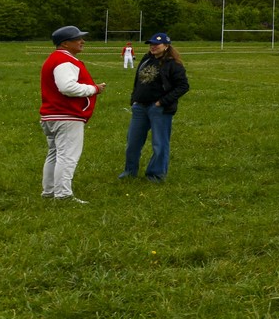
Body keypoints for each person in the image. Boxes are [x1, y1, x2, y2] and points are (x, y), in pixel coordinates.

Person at [40, 26, 106, 202]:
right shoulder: (64, 60)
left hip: (53, 115)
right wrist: (94, 89)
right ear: (65, 43)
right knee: (67, 156)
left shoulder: (56, 58)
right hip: (66, 115)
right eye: (77, 39)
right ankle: (63, 195)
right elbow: (67, 87)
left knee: (55, 154)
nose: (82, 41)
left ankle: (49, 191)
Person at [122, 33, 190, 183]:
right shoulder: (146, 59)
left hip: (159, 109)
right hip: (140, 107)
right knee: (133, 142)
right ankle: (129, 171)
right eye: (151, 44)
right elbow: (138, 81)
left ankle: (156, 175)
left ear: (166, 46)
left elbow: (183, 86)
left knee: (159, 143)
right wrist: (134, 99)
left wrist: (162, 102)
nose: (153, 47)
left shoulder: (173, 64)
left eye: (156, 44)